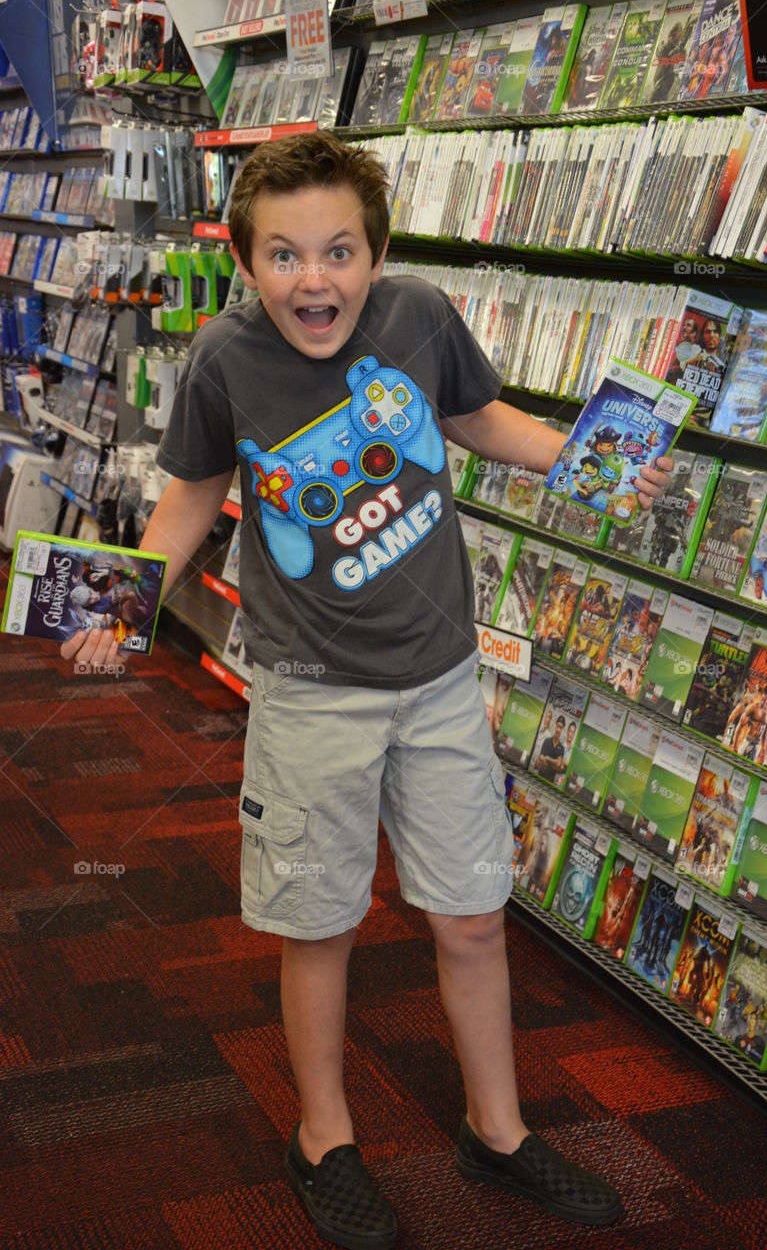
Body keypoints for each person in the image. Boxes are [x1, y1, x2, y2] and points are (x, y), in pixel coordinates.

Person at [59, 132, 672, 1250]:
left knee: (474, 915)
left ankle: (499, 1128)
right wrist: (121, 599)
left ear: (376, 253)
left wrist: (583, 459)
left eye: (339, 251)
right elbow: (191, 495)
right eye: (284, 256)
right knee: (319, 922)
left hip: (438, 680)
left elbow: (476, 420)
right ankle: (324, 1135)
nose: (314, 279)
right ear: (246, 264)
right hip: (307, 693)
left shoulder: (420, 318)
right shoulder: (223, 362)